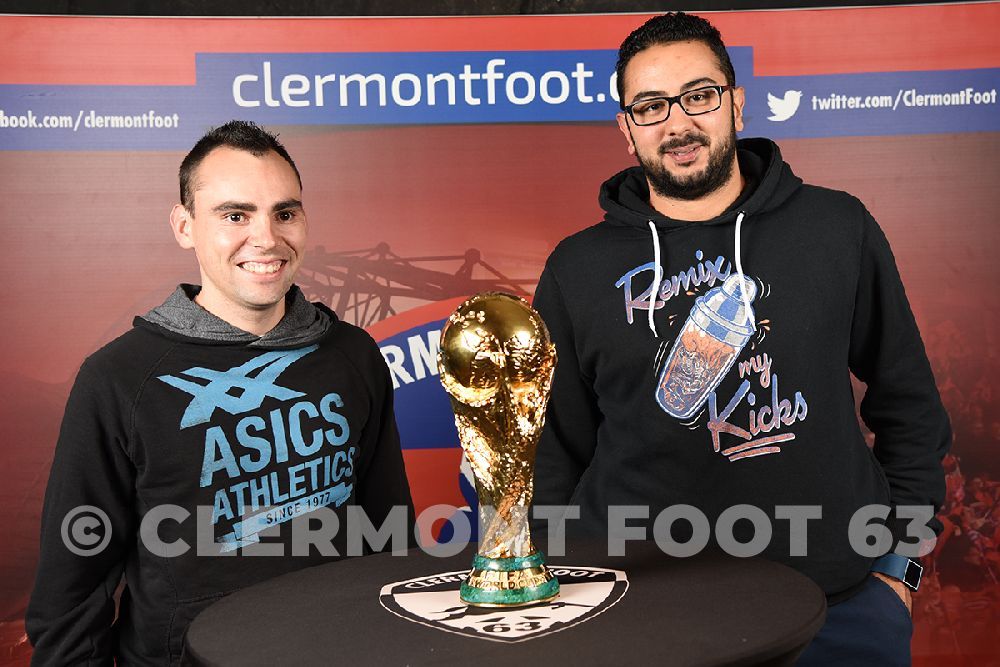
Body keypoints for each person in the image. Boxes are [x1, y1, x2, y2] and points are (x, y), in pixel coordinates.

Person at [532, 13, 950, 664]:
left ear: (736, 101)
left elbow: (910, 403)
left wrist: (900, 564)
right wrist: (566, 587)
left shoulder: (837, 226)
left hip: (841, 608)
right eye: (650, 105)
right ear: (625, 127)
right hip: (639, 619)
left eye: (699, 95)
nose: (677, 123)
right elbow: (550, 454)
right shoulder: (576, 269)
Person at [26, 121, 414, 665]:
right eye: (235, 215)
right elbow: (72, 589)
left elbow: (391, 535)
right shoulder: (119, 378)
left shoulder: (353, 355)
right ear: (184, 226)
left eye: (285, 212)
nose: (267, 239)